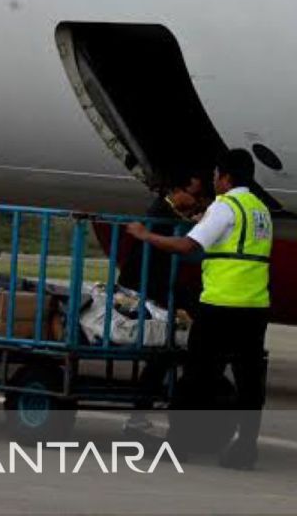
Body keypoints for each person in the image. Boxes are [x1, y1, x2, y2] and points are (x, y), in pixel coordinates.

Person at [127, 149, 272, 469]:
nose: (213, 181)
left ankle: (177, 444)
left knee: (195, 378)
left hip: (221, 305)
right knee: (249, 381)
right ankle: (245, 448)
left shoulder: (226, 206)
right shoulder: (260, 209)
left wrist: (145, 235)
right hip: (255, 306)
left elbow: (187, 247)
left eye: (216, 175)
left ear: (227, 178)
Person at [122, 173, 204, 430]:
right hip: (146, 289)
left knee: (165, 349)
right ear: (178, 190)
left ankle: (143, 412)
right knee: (163, 349)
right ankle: (141, 414)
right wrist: (197, 225)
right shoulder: (161, 211)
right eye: (194, 195)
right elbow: (180, 244)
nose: (195, 201)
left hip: (155, 287)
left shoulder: (166, 211)